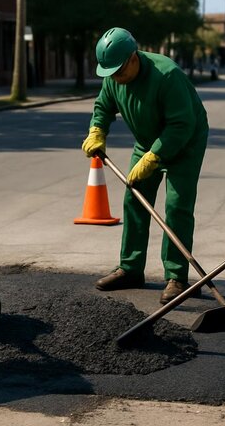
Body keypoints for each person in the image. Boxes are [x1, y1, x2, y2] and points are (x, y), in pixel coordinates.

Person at [82, 27, 208, 304]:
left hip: (185, 142)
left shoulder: (167, 75)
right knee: (135, 200)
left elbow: (181, 124)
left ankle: (177, 276)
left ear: (134, 57)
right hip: (147, 140)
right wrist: (97, 131)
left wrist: (155, 157)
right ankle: (130, 268)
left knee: (177, 207)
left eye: (118, 71)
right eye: (109, 73)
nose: (115, 77)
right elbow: (103, 107)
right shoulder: (113, 76)